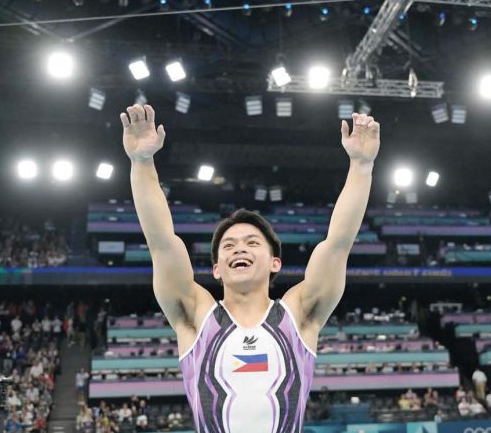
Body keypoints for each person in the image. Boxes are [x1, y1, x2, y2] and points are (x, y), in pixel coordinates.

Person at [121, 104, 380, 432]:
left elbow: (338, 244)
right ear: (216, 269)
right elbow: (161, 243)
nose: (239, 248)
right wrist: (142, 163)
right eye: (228, 245)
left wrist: (361, 166)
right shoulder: (195, 317)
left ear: (275, 263)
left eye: (252, 242)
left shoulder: (298, 315)